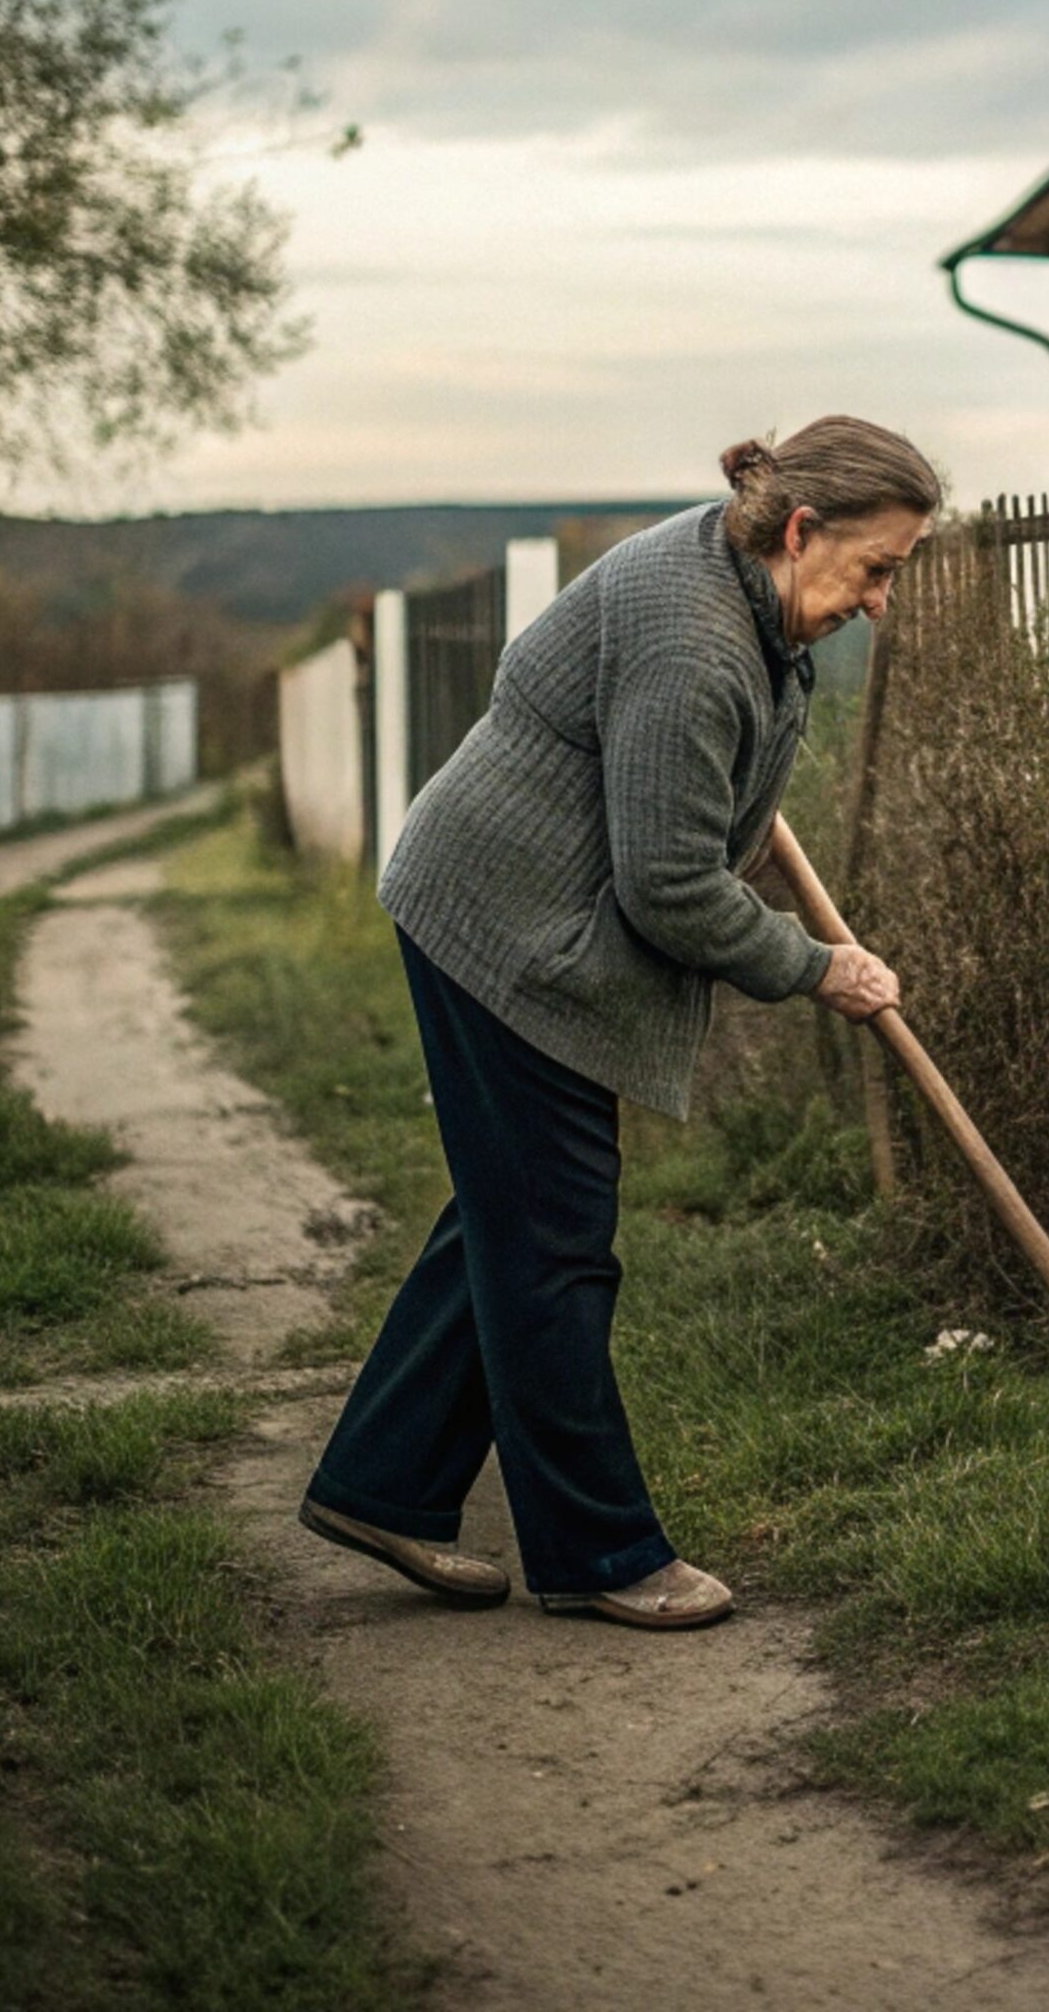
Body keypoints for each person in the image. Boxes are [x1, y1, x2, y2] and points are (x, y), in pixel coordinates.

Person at [299, 418, 939, 1627]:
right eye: (876, 568)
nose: (880, 600)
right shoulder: (695, 640)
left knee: (513, 1212)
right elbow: (671, 889)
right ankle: (597, 1554)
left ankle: (380, 1482)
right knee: (555, 1243)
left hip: (523, 913)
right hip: (501, 932)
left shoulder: (733, 579)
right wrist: (819, 970)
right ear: (800, 529)